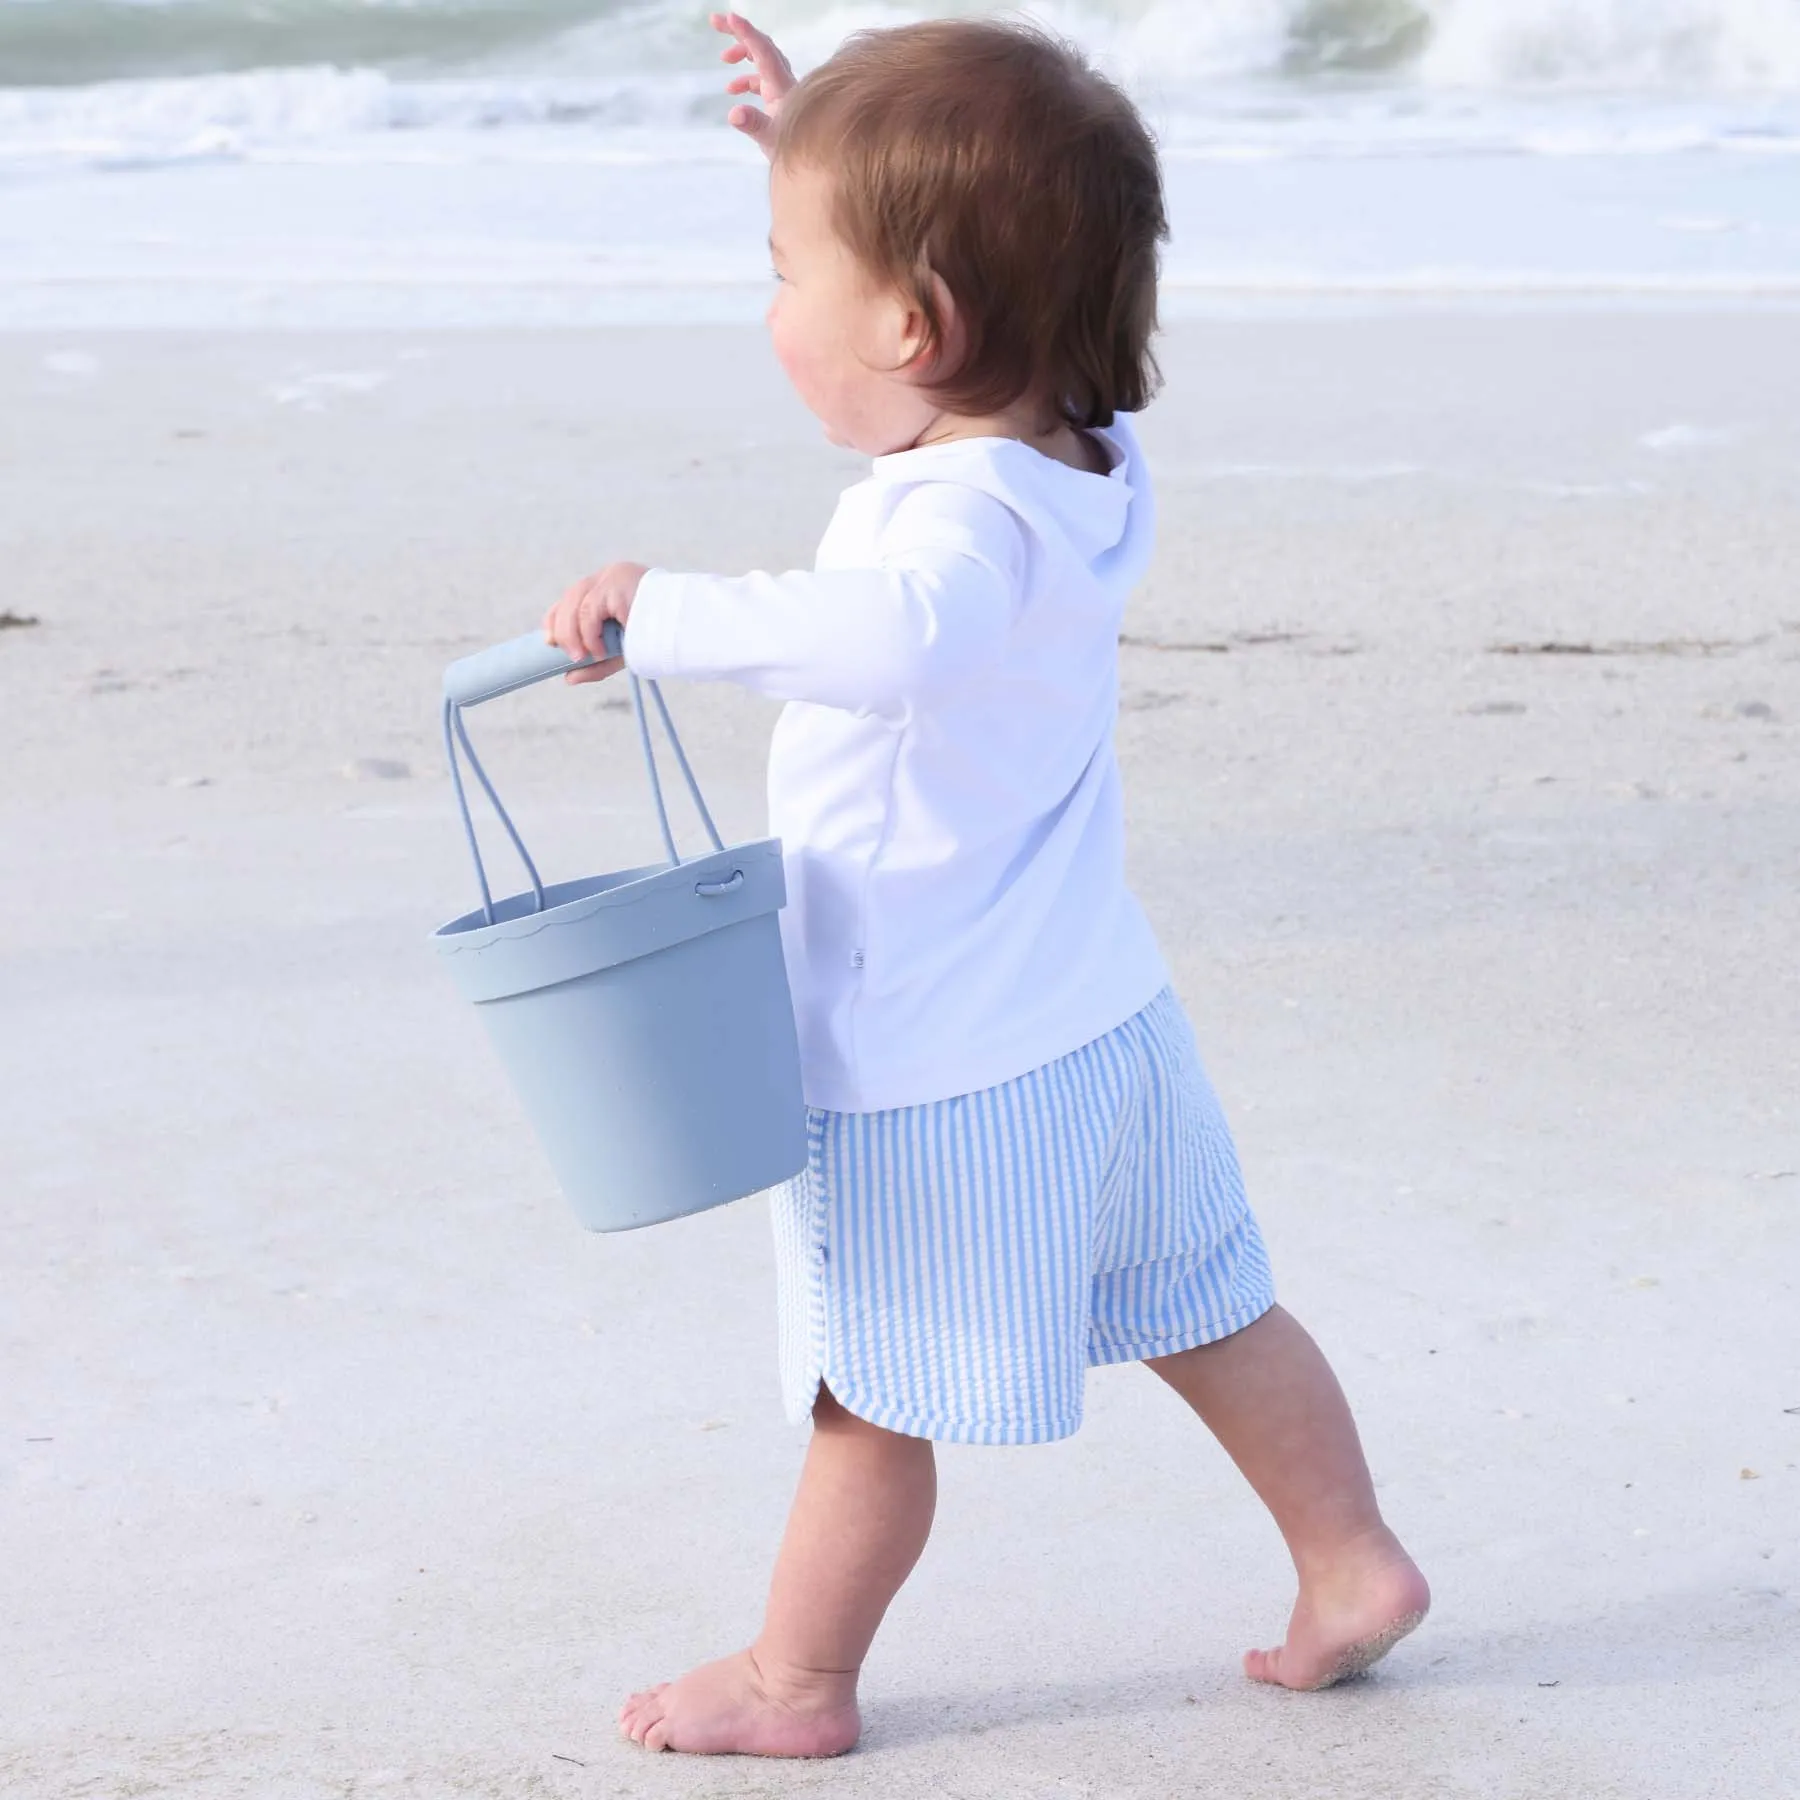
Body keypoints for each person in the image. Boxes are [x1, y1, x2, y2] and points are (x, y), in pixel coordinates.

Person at [543, 10, 1430, 1758]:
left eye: (787, 268)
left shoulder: (949, 539)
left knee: (864, 1394)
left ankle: (800, 1681)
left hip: (937, 1064)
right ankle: (1349, 1558)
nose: (772, 303)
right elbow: (986, 318)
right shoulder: (1079, 467)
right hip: (1101, 1020)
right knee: (1212, 1305)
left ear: (912, 326)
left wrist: (673, 613)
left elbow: (891, 630)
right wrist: (828, 157)